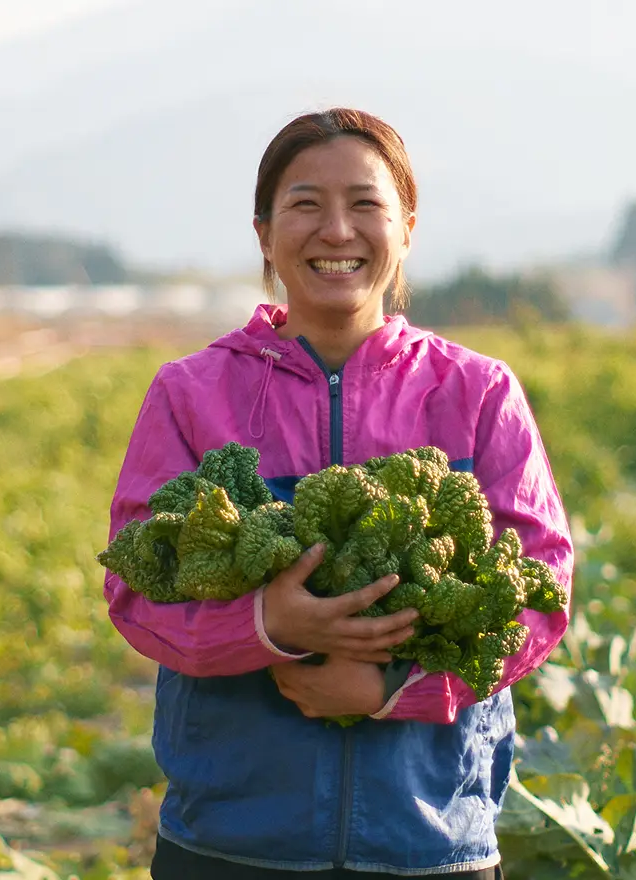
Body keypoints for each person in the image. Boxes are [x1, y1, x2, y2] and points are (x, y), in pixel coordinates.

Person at [104, 107, 573, 878]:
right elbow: (135, 587)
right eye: (305, 204)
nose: (337, 231)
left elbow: (541, 588)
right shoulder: (191, 393)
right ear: (263, 231)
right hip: (232, 839)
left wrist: (394, 686)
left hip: (429, 840)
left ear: (407, 227)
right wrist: (266, 622)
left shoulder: (479, 391)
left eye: (364, 204)